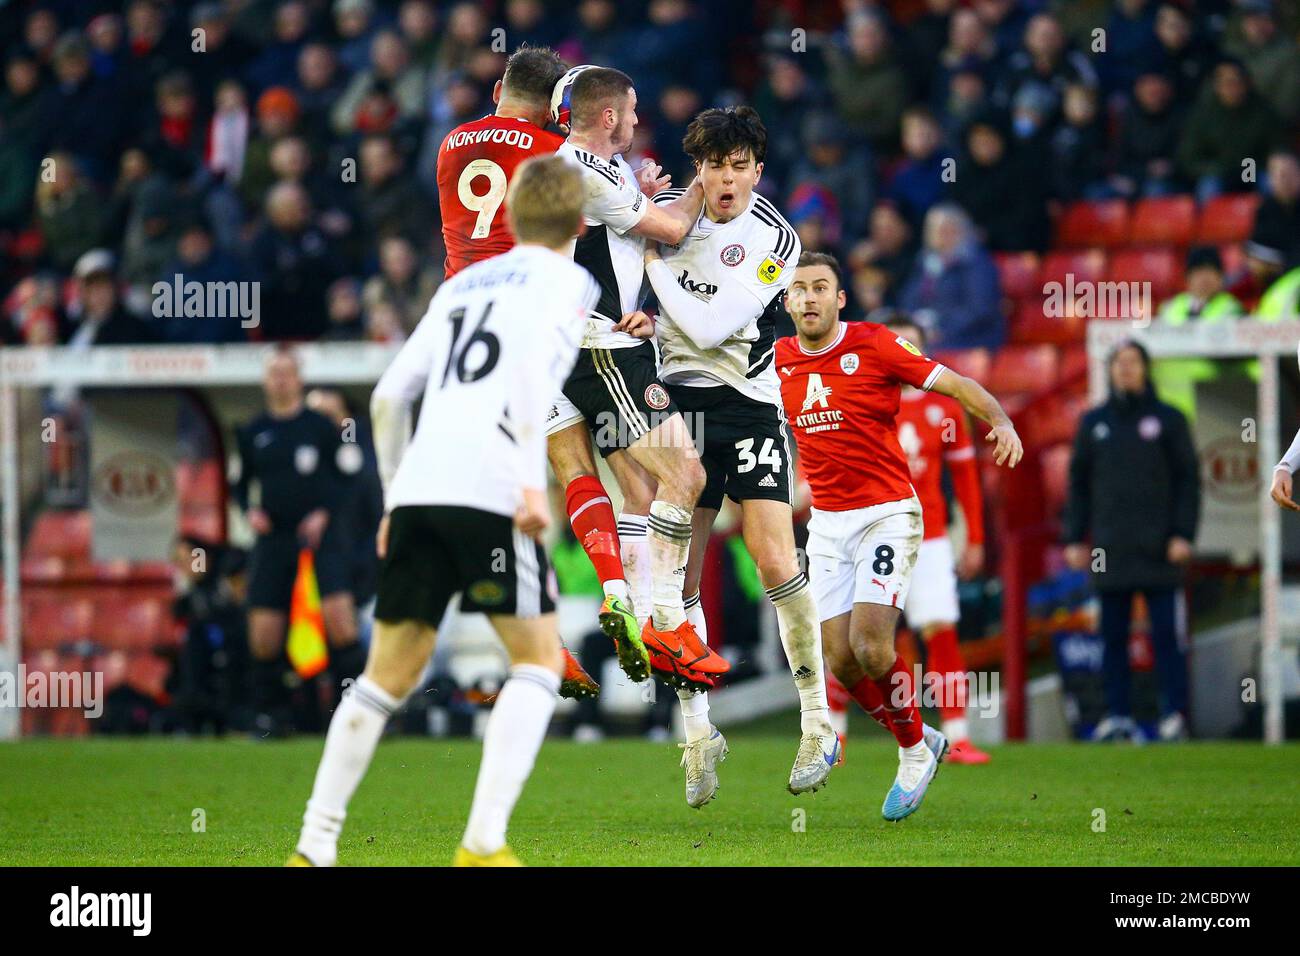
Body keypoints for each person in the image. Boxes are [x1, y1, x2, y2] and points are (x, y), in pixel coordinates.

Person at [290, 155, 597, 868]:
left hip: (423, 489)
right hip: (492, 489)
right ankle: (483, 844)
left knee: (383, 677)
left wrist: (395, 498)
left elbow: (389, 397)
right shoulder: (568, 280)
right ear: (578, 224)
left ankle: (313, 846)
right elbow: (528, 379)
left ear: (514, 218)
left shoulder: (461, 283)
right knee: (539, 662)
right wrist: (529, 486)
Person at [776, 252, 1021, 819]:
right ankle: (925, 739)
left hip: (888, 512)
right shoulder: (777, 360)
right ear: (786, 302)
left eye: (820, 288)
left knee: (871, 645)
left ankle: (914, 752)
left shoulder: (876, 343)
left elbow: (954, 383)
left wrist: (1000, 420)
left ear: (840, 298)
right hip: (829, 525)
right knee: (840, 659)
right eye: (799, 290)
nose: (809, 298)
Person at [641, 106, 830, 805]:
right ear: (701, 167)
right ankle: (697, 736)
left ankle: (817, 722)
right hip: (674, 403)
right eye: (716, 165)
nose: (728, 179)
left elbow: (712, 322)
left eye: (740, 165)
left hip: (747, 403)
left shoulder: (776, 234)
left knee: (775, 559)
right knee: (678, 577)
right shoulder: (662, 210)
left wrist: (656, 271)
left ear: (758, 169)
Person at [433, 45, 609, 697]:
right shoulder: (552, 149)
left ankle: (542, 641)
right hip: (533, 315)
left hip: (463, 327)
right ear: (555, 104)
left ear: (501, 88)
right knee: (570, 470)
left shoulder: (452, 142)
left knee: (493, 497)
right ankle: (626, 600)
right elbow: (585, 227)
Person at [547, 66, 724, 694]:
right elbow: (671, 230)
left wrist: (641, 187)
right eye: (631, 108)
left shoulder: (597, 170)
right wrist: (706, 182)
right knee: (688, 475)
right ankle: (667, 624)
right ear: (606, 116)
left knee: (642, 491)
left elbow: (627, 239)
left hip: (585, 342)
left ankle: (639, 611)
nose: (637, 117)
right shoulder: (583, 170)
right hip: (599, 349)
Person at [1064, 340, 1200, 743]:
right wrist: (1074, 537)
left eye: (1133, 362)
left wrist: (1183, 534)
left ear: (1145, 368)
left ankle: (1174, 715)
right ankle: (1118, 716)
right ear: (1109, 370)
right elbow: (1078, 485)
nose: (1125, 369)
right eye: (1119, 363)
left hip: (1160, 546)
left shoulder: (1170, 419)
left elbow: (1188, 482)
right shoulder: (1094, 423)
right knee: (1112, 637)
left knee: (1166, 637)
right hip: (1111, 548)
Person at [232, 348, 363, 737]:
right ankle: (270, 716)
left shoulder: (319, 427)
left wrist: (323, 511)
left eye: (288, 373)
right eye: (274, 373)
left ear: (299, 379)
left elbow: (347, 475)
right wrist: (249, 511)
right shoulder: (253, 431)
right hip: (274, 541)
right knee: (264, 633)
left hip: (320, 539)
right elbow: (240, 484)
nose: (281, 380)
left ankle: (353, 714)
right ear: (265, 380)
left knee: (341, 623)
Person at [888, 315, 991, 764]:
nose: (906, 353)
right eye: (898, 345)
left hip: (929, 536)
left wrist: (975, 537)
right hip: (874, 533)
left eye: (913, 345)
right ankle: (839, 736)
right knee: (862, 637)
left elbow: (966, 477)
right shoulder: (865, 400)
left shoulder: (945, 407)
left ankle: (957, 735)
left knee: (940, 630)